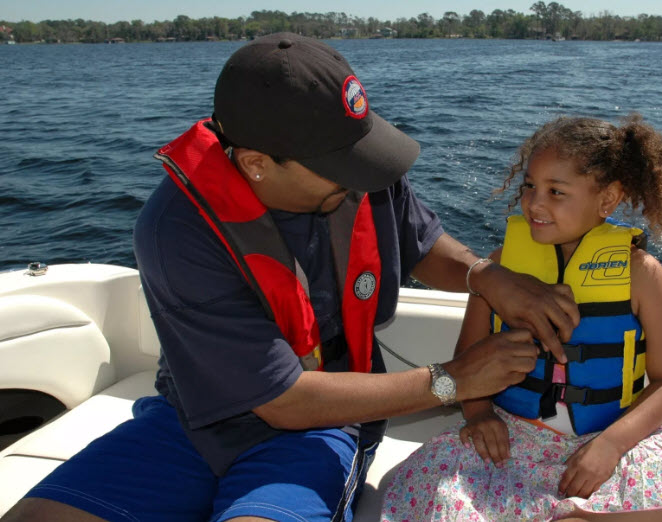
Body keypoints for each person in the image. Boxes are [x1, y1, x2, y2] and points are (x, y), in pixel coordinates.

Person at [1, 33, 583, 522]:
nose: (361, 179)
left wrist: (485, 274)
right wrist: (455, 379)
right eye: (339, 168)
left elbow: (424, 245)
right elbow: (282, 400)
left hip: (325, 427)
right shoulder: (174, 230)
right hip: (196, 420)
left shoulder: (359, 165)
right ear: (255, 162)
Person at [382, 115, 662, 522]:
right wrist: (479, 415)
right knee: (436, 491)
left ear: (607, 199)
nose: (535, 203)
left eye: (556, 191)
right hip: (516, 436)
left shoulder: (644, 275)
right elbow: (467, 361)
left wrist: (611, 446)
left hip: (609, 436)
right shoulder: (498, 270)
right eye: (529, 186)